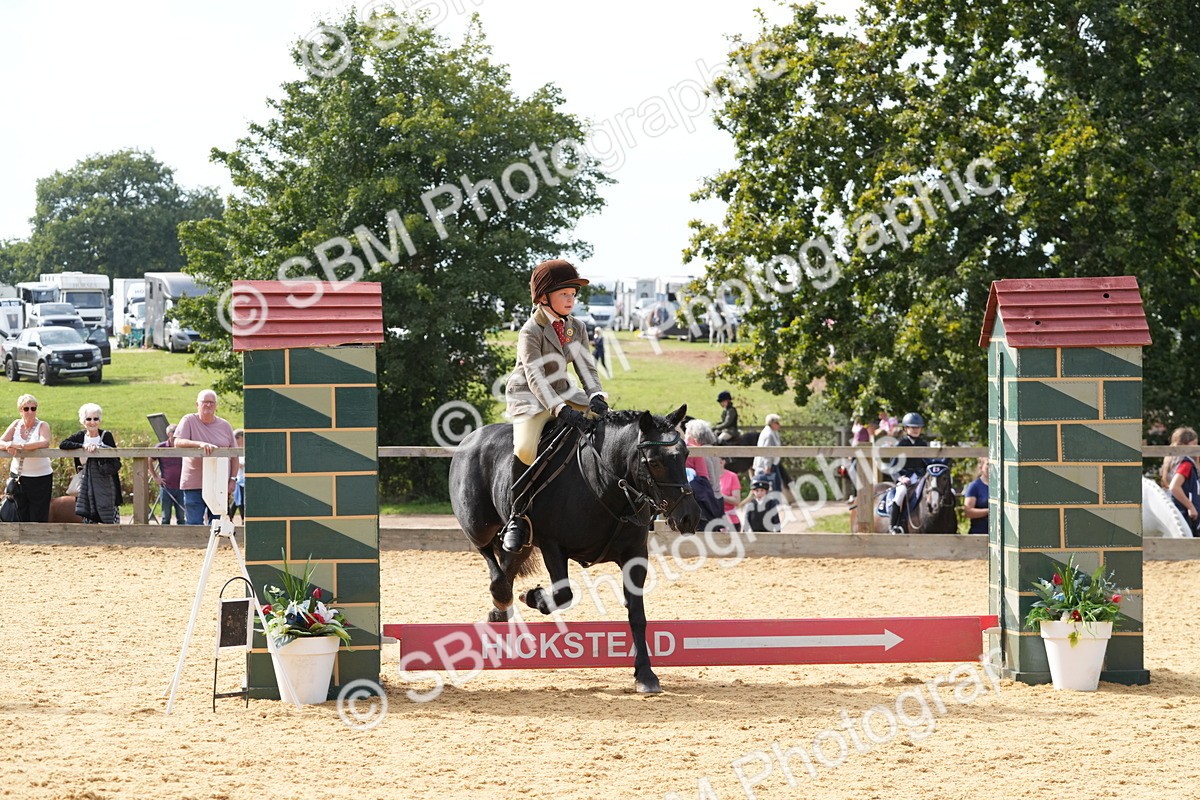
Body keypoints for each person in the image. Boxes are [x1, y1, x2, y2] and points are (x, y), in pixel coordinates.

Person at [501, 259, 608, 553]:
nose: (571, 299)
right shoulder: (530, 330)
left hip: (564, 392)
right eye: (564, 294)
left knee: (608, 425)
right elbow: (535, 377)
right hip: (529, 397)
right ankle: (517, 517)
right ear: (544, 297)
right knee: (525, 448)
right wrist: (560, 410)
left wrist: (597, 395)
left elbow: (586, 367)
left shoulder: (577, 327)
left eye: (573, 294)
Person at [174, 389, 239, 525]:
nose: (208, 405)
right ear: (197, 404)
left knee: (217, 524)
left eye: (211, 402)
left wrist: (232, 479)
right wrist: (200, 444)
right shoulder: (188, 420)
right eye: (205, 402)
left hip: (219, 483)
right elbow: (177, 442)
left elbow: (234, 455)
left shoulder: (225, 425)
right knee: (193, 523)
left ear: (216, 405)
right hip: (194, 483)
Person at [59, 403, 121, 524]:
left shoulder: (106, 436)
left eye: (95, 419)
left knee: (110, 520)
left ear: (100, 420)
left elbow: (116, 460)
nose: (92, 422)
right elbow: (63, 444)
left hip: (106, 483)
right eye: (88, 419)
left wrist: (99, 450)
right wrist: (83, 446)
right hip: (86, 483)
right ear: (83, 421)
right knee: (88, 519)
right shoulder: (80, 436)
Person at [1, 394, 52, 522]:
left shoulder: (43, 425)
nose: (30, 412)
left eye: (33, 408)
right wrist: (8, 445)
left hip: (40, 477)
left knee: (38, 514)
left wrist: (20, 446)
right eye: (26, 409)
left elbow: (44, 442)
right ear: (20, 410)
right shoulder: (16, 424)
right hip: (18, 477)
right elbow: (1, 441)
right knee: (18, 512)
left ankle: (37, 535)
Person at [886, 412, 930, 533]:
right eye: (912, 427)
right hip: (905, 477)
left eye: (918, 427)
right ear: (906, 428)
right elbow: (893, 467)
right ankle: (893, 525)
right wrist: (900, 478)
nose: (916, 430)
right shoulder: (900, 444)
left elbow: (927, 463)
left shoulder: (923, 444)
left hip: (921, 477)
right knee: (900, 492)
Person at [1161, 426, 1200, 536]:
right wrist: (1191, 507)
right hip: (1186, 514)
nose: (1197, 447)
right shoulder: (1186, 464)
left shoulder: (1177, 462)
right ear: (1185, 446)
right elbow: (1174, 487)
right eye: (1194, 444)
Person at [151, 424, 185, 525]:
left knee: (181, 517)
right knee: (165, 517)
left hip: (181, 487)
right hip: (166, 487)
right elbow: (149, 460)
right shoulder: (161, 447)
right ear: (169, 434)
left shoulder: (184, 447)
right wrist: (155, 477)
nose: (177, 434)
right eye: (175, 432)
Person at [752, 414, 783, 492]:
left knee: (777, 486)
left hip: (773, 464)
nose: (779, 425)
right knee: (771, 487)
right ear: (772, 423)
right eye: (777, 423)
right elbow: (767, 451)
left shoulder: (773, 432)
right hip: (767, 465)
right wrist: (767, 466)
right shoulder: (768, 434)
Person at [963, 457, 990, 535]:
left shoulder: (1001, 485)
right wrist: (990, 511)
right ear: (981, 467)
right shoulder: (974, 486)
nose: (991, 467)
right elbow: (967, 512)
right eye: (988, 464)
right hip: (979, 533)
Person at [718, 456, 742, 529]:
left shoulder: (732, 476)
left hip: (731, 521)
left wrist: (721, 496)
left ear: (722, 462)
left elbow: (737, 500)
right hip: (713, 520)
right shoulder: (707, 477)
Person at [229, 429, 245, 523]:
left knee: (239, 501)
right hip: (238, 479)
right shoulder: (235, 450)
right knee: (239, 500)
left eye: (237, 437)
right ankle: (239, 519)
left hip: (243, 480)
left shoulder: (245, 449)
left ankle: (241, 519)